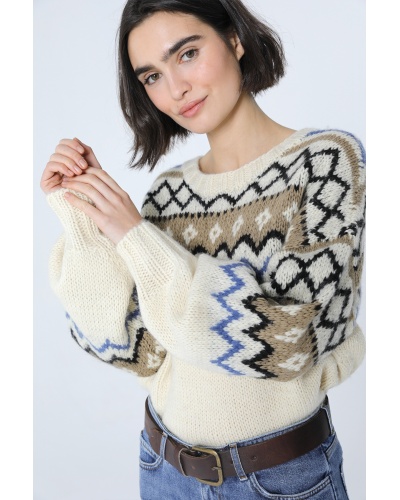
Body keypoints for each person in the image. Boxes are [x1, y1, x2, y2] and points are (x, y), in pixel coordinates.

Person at [40, 0, 365, 498]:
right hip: (164, 470)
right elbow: (132, 350)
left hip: (278, 479)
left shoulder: (325, 162)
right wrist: (85, 218)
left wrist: (136, 236)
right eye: (152, 76)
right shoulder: (169, 193)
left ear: (234, 39)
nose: (175, 89)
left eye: (187, 54)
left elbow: (291, 342)